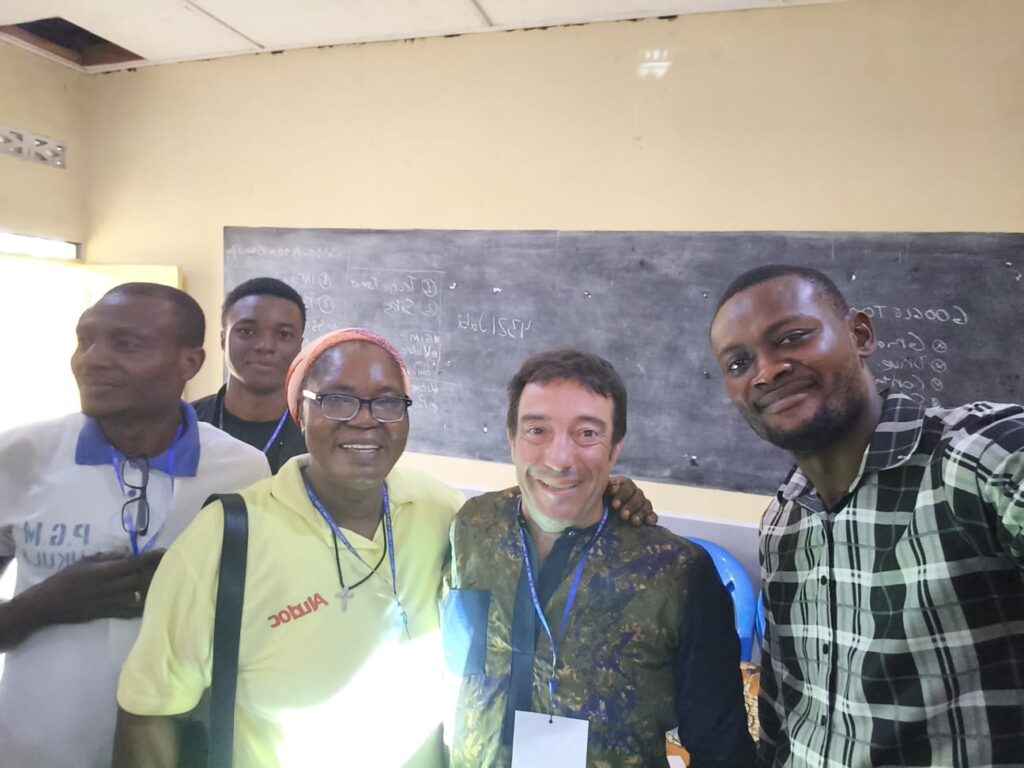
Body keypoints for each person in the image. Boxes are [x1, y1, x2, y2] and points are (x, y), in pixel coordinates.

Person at [113, 329, 654, 768]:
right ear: (300, 413)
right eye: (336, 399)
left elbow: (543, 503)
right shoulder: (226, 537)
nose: (365, 418)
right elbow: (149, 711)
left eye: (387, 402)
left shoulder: (446, 512)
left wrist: (607, 495)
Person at [709, 264, 1024, 767]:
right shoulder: (784, 522)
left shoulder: (976, 460)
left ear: (860, 335)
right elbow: (782, 712)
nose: (766, 371)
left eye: (791, 337)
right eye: (738, 363)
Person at [0, 283, 270, 768]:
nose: (91, 361)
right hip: (37, 749)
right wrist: (44, 605)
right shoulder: (20, 456)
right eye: (85, 341)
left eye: (125, 344)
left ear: (190, 363)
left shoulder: (242, 470)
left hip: (179, 747)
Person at [445, 348, 756, 767]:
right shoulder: (473, 527)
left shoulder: (674, 572)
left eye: (587, 433)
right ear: (511, 439)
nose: (559, 458)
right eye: (537, 429)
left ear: (614, 449)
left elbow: (722, 751)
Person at [192, 277, 307, 473]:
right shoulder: (183, 426)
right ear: (223, 340)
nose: (265, 346)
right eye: (246, 331)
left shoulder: (319, 433)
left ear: (300, 346)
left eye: (284, 334)